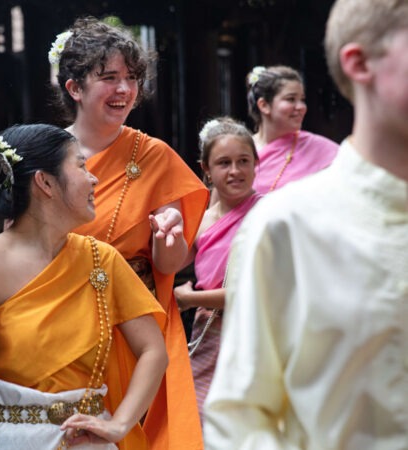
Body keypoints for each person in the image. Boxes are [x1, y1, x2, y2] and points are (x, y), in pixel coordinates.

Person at [0, 123, 170, 450]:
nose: (93, 179)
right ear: (45, 182)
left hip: (85, 441)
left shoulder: (99, 260)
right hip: (6, 440)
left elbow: (153, 351)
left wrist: (120, 424)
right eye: (80, 166)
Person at [203, 0, 408, 448]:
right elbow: (241, 419)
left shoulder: (315, 152)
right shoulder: (287, 226)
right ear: (359, 62)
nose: (298, 108)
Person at [49, 17, 209, 449]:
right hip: (62, 320)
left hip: (136, 323)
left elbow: (169, 264)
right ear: (75, 88)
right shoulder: (43, 155)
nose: (124, 89)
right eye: (109, 78)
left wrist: (169, 239)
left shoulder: (154, 155)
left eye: (132, 78)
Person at [174, 117, 263, 424]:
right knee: (200, 422)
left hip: (258, 337)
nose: (235, 171)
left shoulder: (271, 215)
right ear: (206, 169)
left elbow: (256, 293)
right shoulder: (202, 220)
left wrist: (189, 299)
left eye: (243, 161)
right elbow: (168, 264)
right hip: (209, 334)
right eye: (224, 163)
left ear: (256, 164)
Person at [246, 64, 339, 194]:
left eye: (302, 100)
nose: (301, 107)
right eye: (291, 99)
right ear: (264, 105)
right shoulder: (241, 149)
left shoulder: (320, 149)